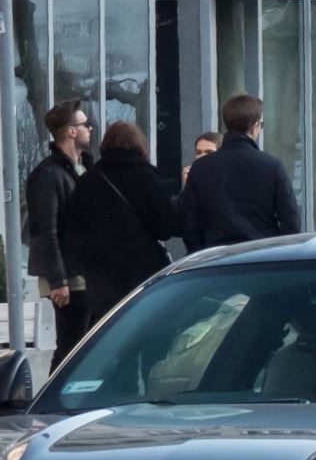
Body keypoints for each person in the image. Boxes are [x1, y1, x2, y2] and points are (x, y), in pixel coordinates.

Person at [62, 121, 178, 326]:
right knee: (144, 332)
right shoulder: (147, 177)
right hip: (142, 274)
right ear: (139, 145)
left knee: (108, 334)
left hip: (101, 280)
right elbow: (165, 227)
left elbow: (73, 232)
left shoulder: (87, 182)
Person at [179, 93, 300, 252]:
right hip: (262, 257)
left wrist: (200, 255)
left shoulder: (200, 168)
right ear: (254, 126)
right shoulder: (272, 166)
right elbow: (291, 223)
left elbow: (190, 224)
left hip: (214, 259)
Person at [24, 100, 94, 363]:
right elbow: (45, 230)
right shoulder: (48, 175)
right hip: (70, 276)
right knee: (71, 347)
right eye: (86, 124)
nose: (91, 128)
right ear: (71, 131)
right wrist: (58, 280)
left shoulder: (83, 169)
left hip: (87, 272)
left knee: (88, 347)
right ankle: (54, 402)